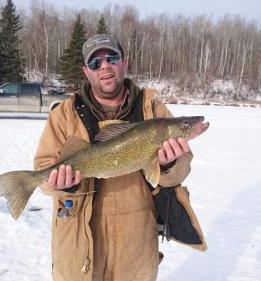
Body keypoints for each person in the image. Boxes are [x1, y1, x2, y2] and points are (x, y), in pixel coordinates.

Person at [33, 34, 205, 281]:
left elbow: (181, 169)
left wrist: (168, 164)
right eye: (95, 62)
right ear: (86, 71)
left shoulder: (152, 109)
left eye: (111, 58)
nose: (104, 66)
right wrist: (60, 184)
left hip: (136, 241)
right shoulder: (64, 115)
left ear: (124, 62)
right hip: (80, 242)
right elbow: (42, 172)